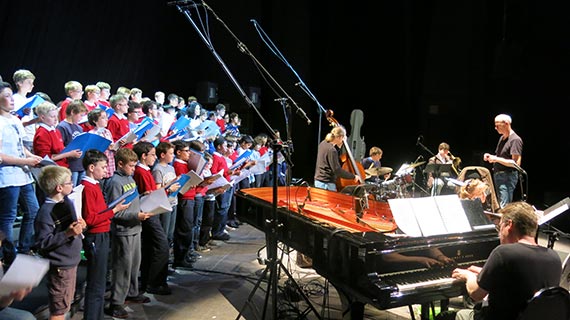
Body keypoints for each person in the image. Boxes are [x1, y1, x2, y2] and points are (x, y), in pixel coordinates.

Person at [450, 201, 561, 320]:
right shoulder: (554, 258)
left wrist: (468, 275)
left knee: (452, 315)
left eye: (500, 226)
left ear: (509, 224)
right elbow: (520, 283)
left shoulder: (504, 253)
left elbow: (476, 294)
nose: (499, 233)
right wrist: (486, 272)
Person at [81, 150, 130, 320]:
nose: (106, 171)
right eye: (102, 167)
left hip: (102, 234)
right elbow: (91, 218)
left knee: (101, 282)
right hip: (96, 236)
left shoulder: (94, 185)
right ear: (91, 167)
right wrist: (113, 210)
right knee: (96, 284)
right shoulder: (87, 188)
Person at [103, 148, 151, 319]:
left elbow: (132, 201)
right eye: (131, 165)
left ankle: (132, 292)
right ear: (120, 164)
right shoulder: (115, 182)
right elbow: (114, 211)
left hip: (135, 227)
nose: (133, 169)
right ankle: (116, 302)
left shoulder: (129, 178)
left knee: (134, 265)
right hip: (123, 231)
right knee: (122, 267)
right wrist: (136, 215)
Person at [34, 166, 86, 320]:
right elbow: (42, 243)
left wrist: (80, 225)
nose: (72, 185)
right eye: (69, 183)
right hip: (60, 267)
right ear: (59, 187)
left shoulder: (66, 202)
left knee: (65, 303)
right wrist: (68, 233)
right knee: (59, 309)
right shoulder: (45, 213)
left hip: (70, 262)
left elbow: (70, 226)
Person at [0, 82, 42, 258]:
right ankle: (8, 255)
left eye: (11, 95)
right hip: (7, 176)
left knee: (33, 210)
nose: (11, 99)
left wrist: (31, 157)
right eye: (7, 95)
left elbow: (20, 145)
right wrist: (25, 160)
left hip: (23, 175)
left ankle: (24, 249)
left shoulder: (15, 119)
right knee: (8, 218)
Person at [132, 141, 171, 295]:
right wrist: (167, 189)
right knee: (162, 246)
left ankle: (149, 280)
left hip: (151, 211)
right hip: (147, 212)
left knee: (150, 247)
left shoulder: (145, 170)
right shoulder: (141, 172)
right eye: (152, 155)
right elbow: (149, 193)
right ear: (143, 156)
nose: (154, 158)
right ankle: (155, 282)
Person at [483, 114, 523, 208]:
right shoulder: (502, 138)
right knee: (501, 203)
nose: (495, 128)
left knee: (504, 205)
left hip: (507, 176)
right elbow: (501, 156)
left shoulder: (515, 140)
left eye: (497, 125)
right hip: (500, 175)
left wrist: (496, 159)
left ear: (506, 123)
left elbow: (515, 163)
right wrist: (491, 157)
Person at [314, 126, 361, 191]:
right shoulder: (332, 150)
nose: (343, 141)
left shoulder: (323, 143)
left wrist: (339, 147)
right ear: (340, 137)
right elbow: (337, 170)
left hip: (318, 181)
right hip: (327, 184)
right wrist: (353, 176)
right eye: (343, 138)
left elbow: (330, 159)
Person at [57, 99, 87, 186]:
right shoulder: (62, 126)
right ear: (73, 112)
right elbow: (60, 147)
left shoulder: (79, 127)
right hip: (71, 165)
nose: (81, 118)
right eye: (80, 115)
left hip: (80, 164)